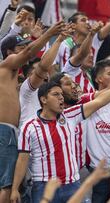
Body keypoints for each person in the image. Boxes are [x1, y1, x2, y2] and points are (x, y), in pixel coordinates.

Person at [10, 69, 110, 203]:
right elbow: (22, 159)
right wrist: (15, 188)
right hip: (43, 185)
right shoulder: (30, 126)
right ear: (43, 99)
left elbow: (100, 101)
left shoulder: (70, 115)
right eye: (56, 94)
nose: (61, 97)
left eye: (61, 94)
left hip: (72, 184)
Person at [0, 21, 65, 203]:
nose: (25, 52)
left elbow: (40, 66)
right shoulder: (8, 64)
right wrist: (50, 33)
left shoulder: (12, 80)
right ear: (9, 53)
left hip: (8, 133)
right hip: (5, 132)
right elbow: (30, 53)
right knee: (5, 186)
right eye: (20, 48)